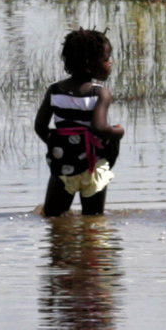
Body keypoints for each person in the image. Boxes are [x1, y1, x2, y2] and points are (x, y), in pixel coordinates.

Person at [36, 28, 125, 218]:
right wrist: (118, 132)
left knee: (53, 217)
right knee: (92, 222)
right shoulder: (100, 93)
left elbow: (40, 127)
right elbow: (99, 128)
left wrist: (61, 146)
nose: (110, 63)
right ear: (89, 65)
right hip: (92, 167)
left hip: (63, 167)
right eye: (106, 59)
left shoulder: (55, 91)